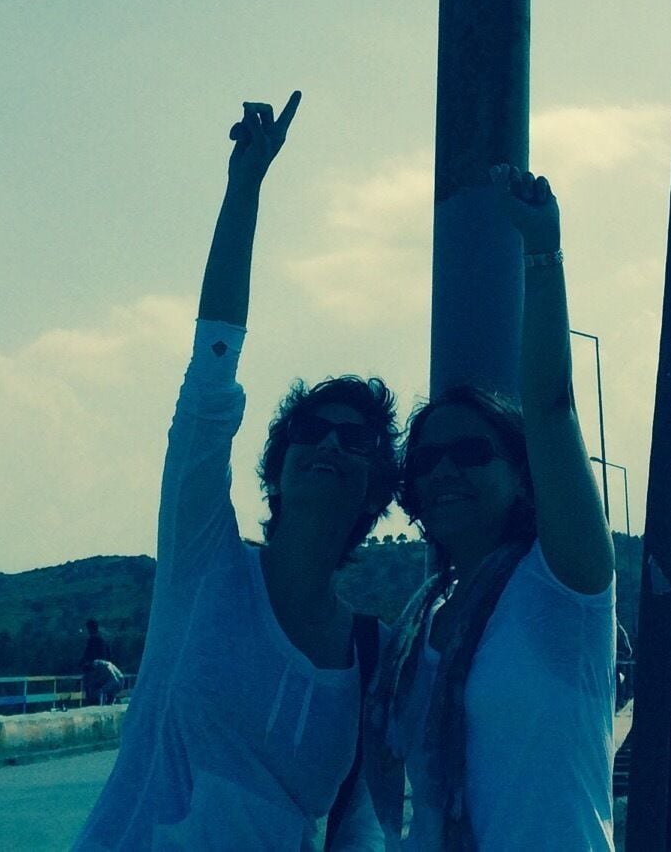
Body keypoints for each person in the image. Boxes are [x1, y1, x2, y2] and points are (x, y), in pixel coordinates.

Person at [74, 93, 400, 852]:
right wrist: (245, 189)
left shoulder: (374, 655)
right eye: (310, 431)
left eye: (355, 439)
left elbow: (358, 827)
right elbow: (207, 391)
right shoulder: (204, 565)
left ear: (375, 490)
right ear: (277, 468)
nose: (329, 444)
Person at [367, 165, 617, 851]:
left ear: (522, 476)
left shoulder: (562, 587)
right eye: (427, 461)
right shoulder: (421, 622)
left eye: (472, 452)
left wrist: (542, 252)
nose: (445, 469)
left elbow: (552, 407)